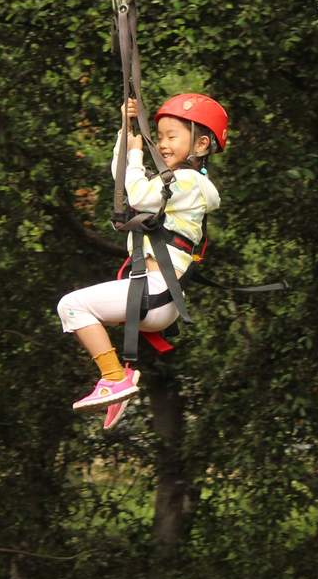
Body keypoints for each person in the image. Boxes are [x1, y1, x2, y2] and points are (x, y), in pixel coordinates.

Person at [57, 93, 227, 429]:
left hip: (157, 290)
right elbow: (125, 182)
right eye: (159, 136)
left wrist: (136, 155)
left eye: (171, 136)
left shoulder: (189, 182)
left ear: (202, 144)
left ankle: (114, 377)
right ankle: (115, 379)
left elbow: (136, 195)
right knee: (75, 307)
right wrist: (126, 130)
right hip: (153, 292)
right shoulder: (172, 183)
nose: (162, 144)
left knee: (71, 306)